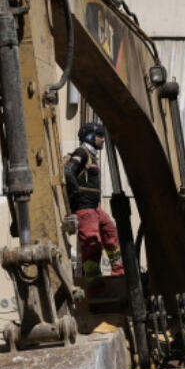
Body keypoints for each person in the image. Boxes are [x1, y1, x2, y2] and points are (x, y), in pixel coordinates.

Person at [65, 122, 122, 285]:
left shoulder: (92, 156)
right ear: (89, 136)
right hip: (85, 209)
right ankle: (94, 282)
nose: (103, 139)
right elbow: (69, 170)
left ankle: (118, 272)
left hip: (95, 209)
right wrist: (76, 191)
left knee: (111, 232)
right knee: (92, 246)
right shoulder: (81, 153)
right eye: (99, 135)